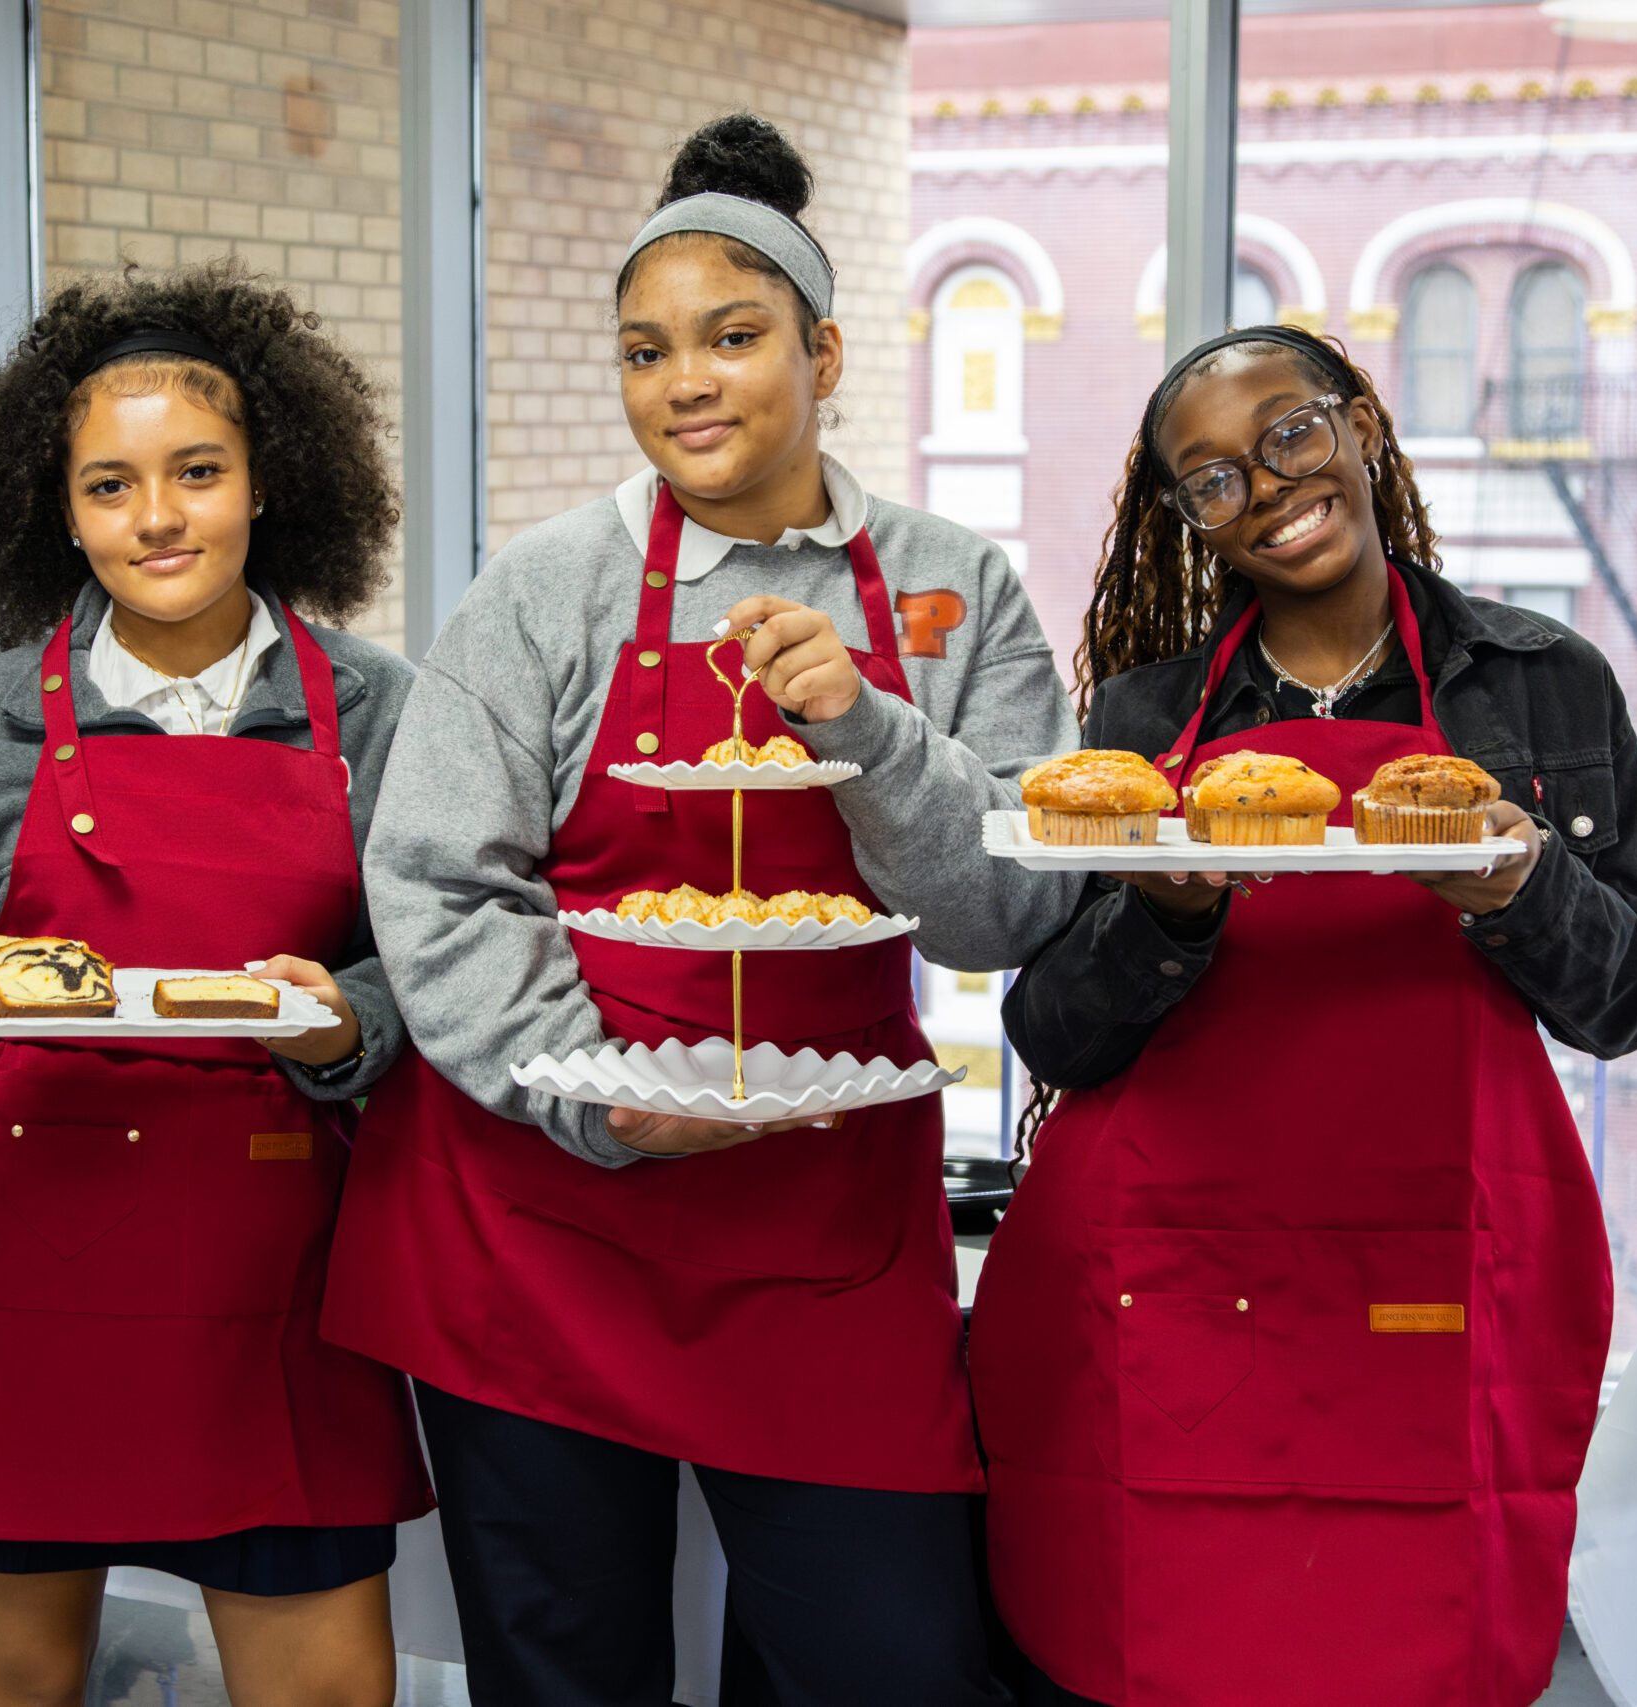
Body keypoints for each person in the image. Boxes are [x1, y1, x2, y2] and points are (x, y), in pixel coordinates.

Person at [320, 114, 1076, 1705]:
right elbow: (441, 874)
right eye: (646, 351)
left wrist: (871, 731)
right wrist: (594, 1098)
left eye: (734, 339)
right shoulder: (547, 587)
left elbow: (1007, 905)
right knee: (563, 1669)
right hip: (538, 1204)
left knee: (893, 1662)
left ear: (825, 349)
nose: (687, 383)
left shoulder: (956, 585)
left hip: (825, 1219)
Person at [971, 325, 1637, 1707]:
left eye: (1291, 433)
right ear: (1191, 522)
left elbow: (1632, 1004)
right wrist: (1169, 915)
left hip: (1427, 1287)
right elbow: (1051, 1034)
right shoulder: (1142, 717)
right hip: (1183, 1290)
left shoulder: (1542, 686)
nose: (1271, 487)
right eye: (1215, 478)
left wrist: (1515, 881)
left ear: (1357, 425)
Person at [0, 262, 430, 1707]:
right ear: (57, 510)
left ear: (269, 482)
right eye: (110, 486)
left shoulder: (378, 713)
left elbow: (428, 969)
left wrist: (348, 1020)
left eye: (197, 472)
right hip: (1, 1267)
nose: (158, 518)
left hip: (268, 1274)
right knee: (12, 1692)